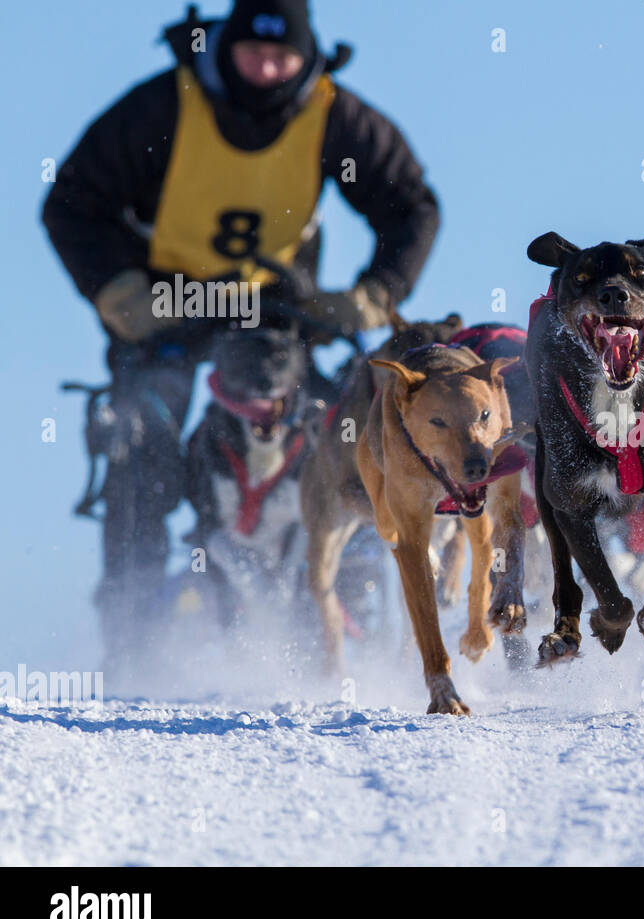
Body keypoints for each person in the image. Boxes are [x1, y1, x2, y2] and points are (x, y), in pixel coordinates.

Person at [42, 0, 440, 659]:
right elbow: (72, 199)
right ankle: (133, 636)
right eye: (253, 53)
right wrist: (117, 290)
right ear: (223, 46)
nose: (268, 68)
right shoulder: (165, 105)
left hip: (281, 316)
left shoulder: (332, 113)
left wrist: (375, 296)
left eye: (283, 56)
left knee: (341, 435)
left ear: (307, 56)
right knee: (137, 438)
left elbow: (411, 207)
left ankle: (353, 617)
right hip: (168, 311)